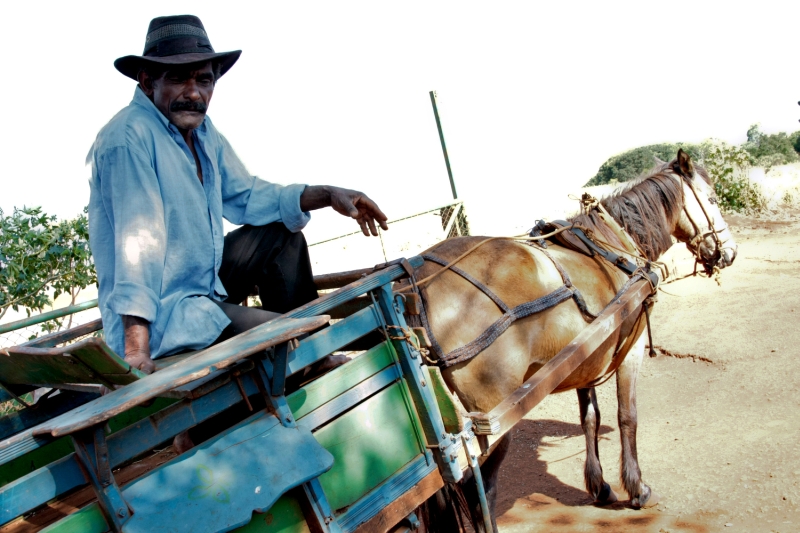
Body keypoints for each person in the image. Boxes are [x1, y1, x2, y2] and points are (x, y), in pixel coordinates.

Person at [88, 15, 388, 377]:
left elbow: (246, 195)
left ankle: (315, 353)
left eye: (204, 80)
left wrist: (327, 194)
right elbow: (137, 248)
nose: (194, 93)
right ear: (148, 80)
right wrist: (136, 349)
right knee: (282, 335)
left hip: (204, 288)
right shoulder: (128, 138)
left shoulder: (202, 132)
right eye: (179, 78)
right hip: (165, 316)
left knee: (281, 234)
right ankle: (303, 354)